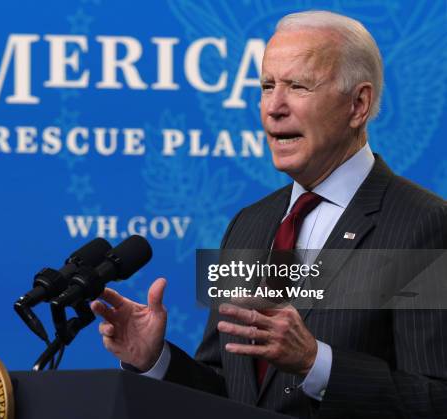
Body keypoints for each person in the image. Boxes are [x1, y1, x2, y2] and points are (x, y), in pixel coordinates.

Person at [91, 10, 447, 418]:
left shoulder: (424, 224)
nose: (274, 107)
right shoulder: (249, 224)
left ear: (358, 105)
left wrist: (317, 363)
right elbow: (227, 393)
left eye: (298, 86)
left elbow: (437, 399)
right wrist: (155, 360)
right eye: (266, 85)